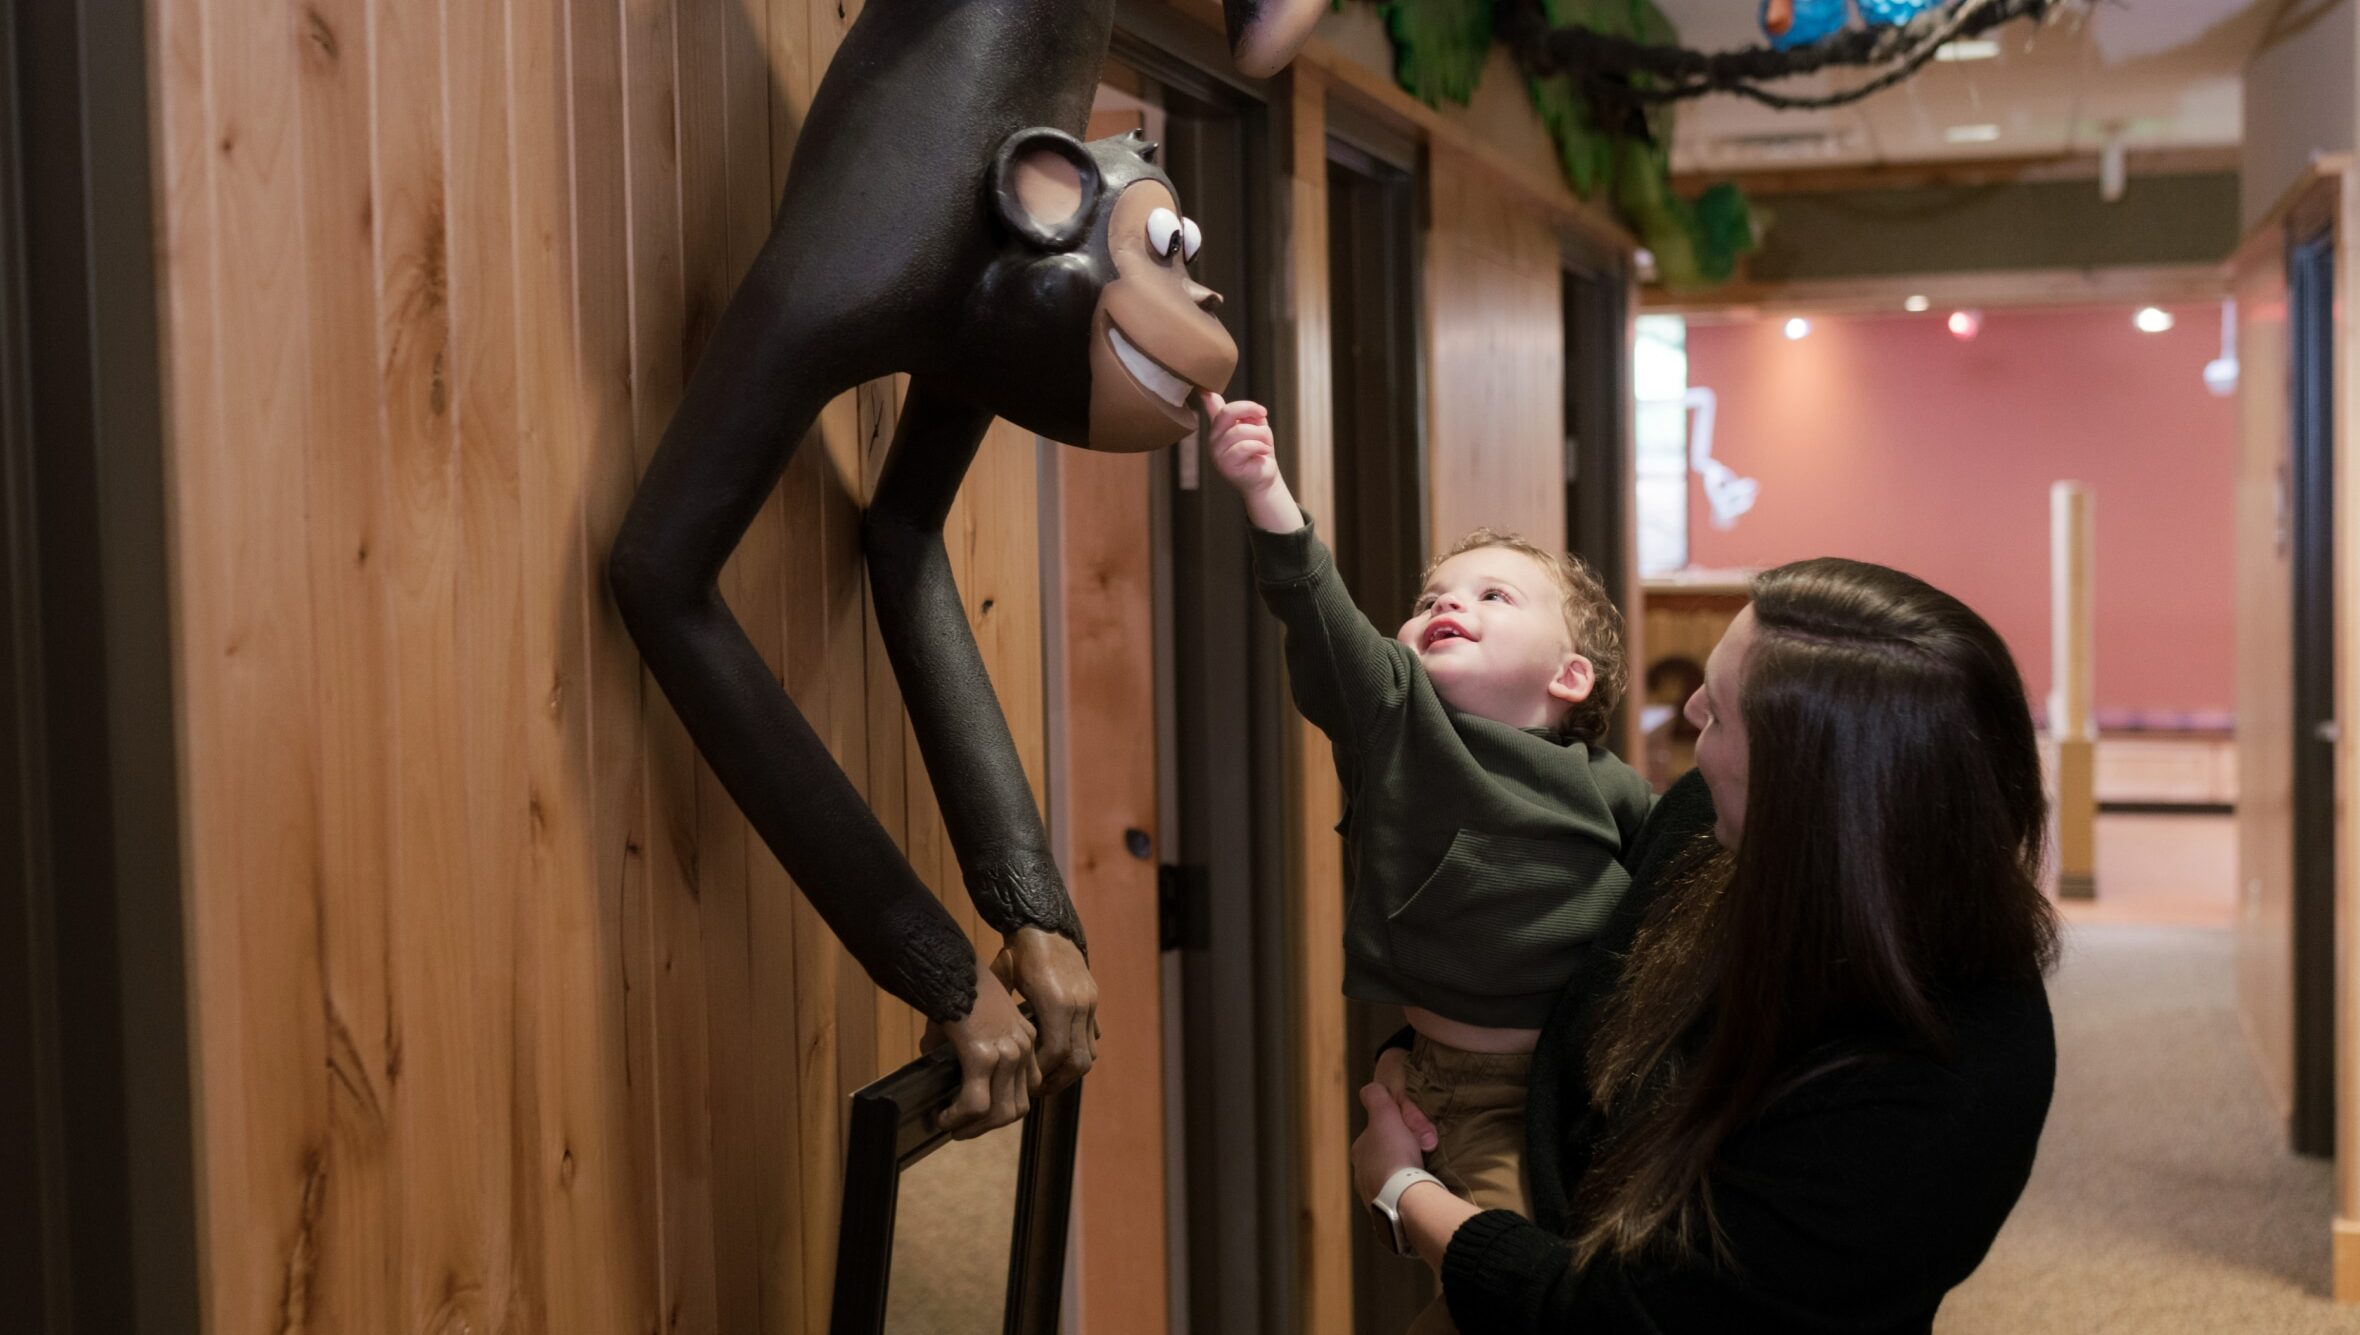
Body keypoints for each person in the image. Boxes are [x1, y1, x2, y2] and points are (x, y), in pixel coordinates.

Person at [1351, 556, 2062, 1333]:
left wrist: (1402, 1190)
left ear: (1811, 797)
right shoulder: (1707, 820)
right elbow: (1568, 969)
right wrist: (1424, 1056)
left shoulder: (1944, 1085)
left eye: (1719, 713)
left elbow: (1623, 1316)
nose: (1688, 710)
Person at [1203, 394, 1654, 1253]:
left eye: (1494, 595)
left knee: (1590, 1267)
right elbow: (1317, 611)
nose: (1448, 604)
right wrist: (1266, 490)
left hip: (1593, 1074)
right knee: (1509, 1266)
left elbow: (1679, 884)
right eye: (1431, 597)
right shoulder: (1397, 720)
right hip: (1462, 1090)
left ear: (1569, 676)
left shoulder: (1608, 785)